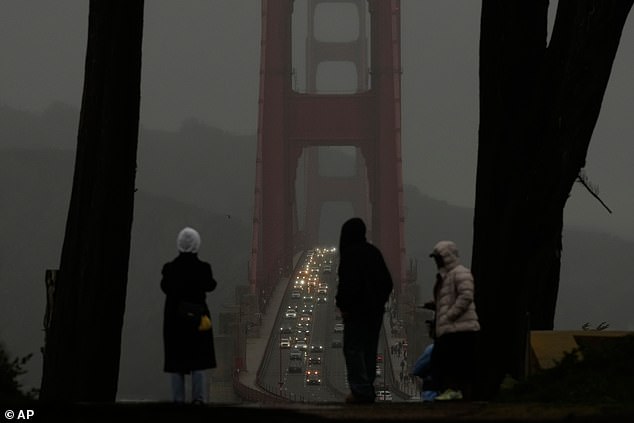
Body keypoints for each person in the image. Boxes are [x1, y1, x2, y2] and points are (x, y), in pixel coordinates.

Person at [335, 217, 393, 404]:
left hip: (355, 313)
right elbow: (387, 282)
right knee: (369, 350)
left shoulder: (349, 254)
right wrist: (379, 303)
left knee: (353, 349)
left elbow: (346, 285)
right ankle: (367, 387)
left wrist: (344, 307)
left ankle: (360, 391)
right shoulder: (374, 252)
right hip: (375, 313)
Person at [161, 227, 218, 404]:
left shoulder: (170, 269)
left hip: (174, 322)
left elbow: (164, 287)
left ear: (179, 245)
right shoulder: (203, 268)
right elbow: (211, 285)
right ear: (197, 245)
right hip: (198, 320)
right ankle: (199, 400)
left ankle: (178, 401)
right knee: (198, 361)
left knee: (176, 361)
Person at [427, 240, 480, 401]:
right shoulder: (447, 276)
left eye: (438, 258)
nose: (436, 262)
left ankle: (455, 391)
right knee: (448, 362)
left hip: (460, 329)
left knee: (452, 362)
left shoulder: (459, 273)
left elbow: (466, 296)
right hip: (452, 328)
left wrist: (449, 315)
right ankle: (454, 391)